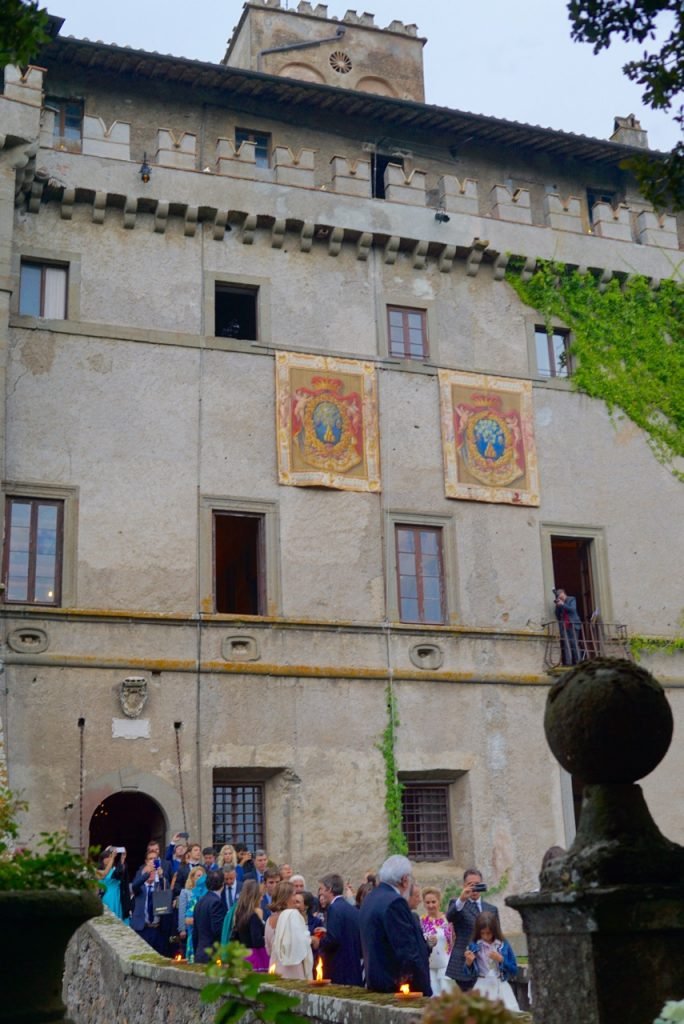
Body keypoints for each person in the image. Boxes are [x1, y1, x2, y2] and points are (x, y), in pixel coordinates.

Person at [358, 854, 431, 995]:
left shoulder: (371, 898)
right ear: (404, 880)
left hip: (375, 983)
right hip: (397, 988)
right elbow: (406, 949)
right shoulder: (395, 902)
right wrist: (424, 989)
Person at [445, 868, 499, 992]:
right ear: (464, 886)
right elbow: (450, 917)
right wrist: (462, 899)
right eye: (471, 885)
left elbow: (497, 936)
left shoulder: (491, 909)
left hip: (486, 964)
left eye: (477, 884)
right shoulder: (458, 904)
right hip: (464, 963)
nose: (474, 888)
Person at [315, 873, 363, 986]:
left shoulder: (334, 908)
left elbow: (334, 939)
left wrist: (319, 941)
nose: (320, 893)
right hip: (353, 968)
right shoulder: (351, 908)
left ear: (329, 889)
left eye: (321, 888)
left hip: (340, 969)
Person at [464, 910, 518, 1010]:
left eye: (488, 933)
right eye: (482, 933)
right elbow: (467, 974)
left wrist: (501, 959)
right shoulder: (474, 946)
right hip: (482, 985)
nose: (485, 936)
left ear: (495, 930)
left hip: (501, 986)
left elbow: (514, 969)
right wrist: (468, 963)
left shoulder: (503, 945)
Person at [130, 851, 167, 952]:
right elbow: (134, 885)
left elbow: (166, 894)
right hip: (142, 928)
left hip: (157, 929)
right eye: (149, 872)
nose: (151, 874)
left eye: (153, 872)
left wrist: (161, 876)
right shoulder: (140, 887)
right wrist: (146, 873)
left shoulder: (159, 886)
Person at [420, 887, 453, 995]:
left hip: (446, 965)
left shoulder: (448, 920)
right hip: (430, 966)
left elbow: (453, 941)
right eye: (427, 902)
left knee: (447, 996)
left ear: (439, 902)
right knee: (433, 997)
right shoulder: (421, 922)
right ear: (424, 904)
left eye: (433, 902)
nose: (431, 905)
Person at [232, 878, 269, 971]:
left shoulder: (239, 913)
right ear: (255, 897)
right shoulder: (253, 916)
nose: (262, 898)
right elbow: (257, 940)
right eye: (260, 896)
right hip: (256, 957)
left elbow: (234, 937)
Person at [193, 869, 227, 965]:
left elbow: (195, 933)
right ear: (222, 884)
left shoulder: (200, 902)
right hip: (212, 955)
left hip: (200, 953)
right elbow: (217, 930)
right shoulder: (216, 902)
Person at [177, 865, 206, 961]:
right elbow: (182, 911)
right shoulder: (185, 892)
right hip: (190, 927)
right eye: (198, 876)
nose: (200, 878)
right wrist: (182, 929)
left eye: (202, 876)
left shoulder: (206, 892)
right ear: (192, 878)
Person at [97, 846, 130, 923]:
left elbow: (119, 872)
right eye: (107, 857)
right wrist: (109, 855)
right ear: (103, 860)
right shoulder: (99, 871)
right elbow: (105, 873)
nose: (110, 858)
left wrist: (122, 859)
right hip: (108, 897)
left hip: (117, 897)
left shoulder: (115, 869)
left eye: (110, 856)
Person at [554, 587, 583, 665]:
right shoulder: (560, 603)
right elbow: (557, 615)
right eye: (558, 596)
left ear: (563, 593)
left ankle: (578, 662)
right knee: (566, 644)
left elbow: (572, 609)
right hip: (564, 626)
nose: (560, 597)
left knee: (574, 643)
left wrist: (563, 604)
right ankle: (568, 663)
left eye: (560, 595)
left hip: (573, 625)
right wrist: (557, 606)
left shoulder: (572, 599)